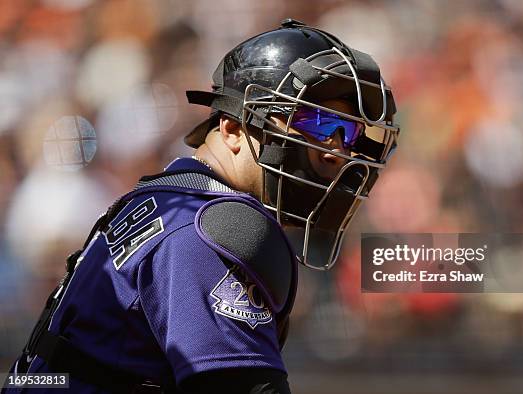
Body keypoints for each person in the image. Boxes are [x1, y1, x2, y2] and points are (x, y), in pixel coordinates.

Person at [2, 19, 399, 394]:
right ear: (231, 129)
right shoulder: (214, 231)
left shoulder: (174, 199)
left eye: (348, 132)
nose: (336, 150)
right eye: (315, 123)